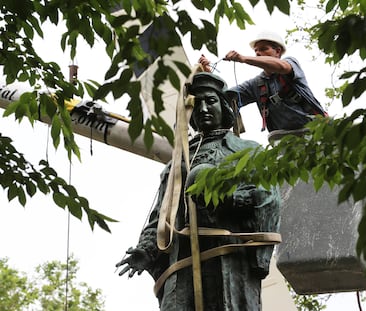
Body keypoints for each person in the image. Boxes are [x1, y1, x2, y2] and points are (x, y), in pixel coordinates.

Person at [116, 72, 281, 310]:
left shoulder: (246, 150)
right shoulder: (177, 162)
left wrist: (229, 199)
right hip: (182, 265)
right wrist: (147, 249)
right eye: (197, 103)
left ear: (224, 107)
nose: (203, 108)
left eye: (210, 101)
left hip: (228, 261)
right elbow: (161, 215)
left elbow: (267, 197)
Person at [199, 30, 327, 132]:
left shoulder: (290, 63)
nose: (258, 53)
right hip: (284, 140)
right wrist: (208, 73)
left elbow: (282, 67)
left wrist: (243, 59)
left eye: (263, 49)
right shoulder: (256, 84)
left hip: (315, 130)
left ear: (278, 51)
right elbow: (225, 96)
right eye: (256, 51)